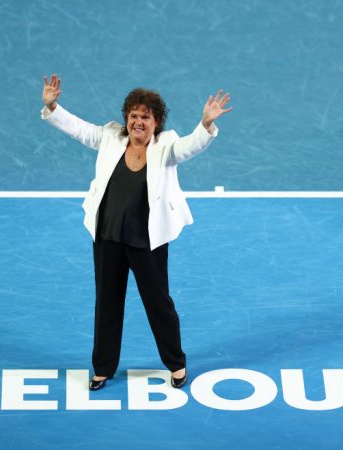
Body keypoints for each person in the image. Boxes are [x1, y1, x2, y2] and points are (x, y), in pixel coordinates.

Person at [40, 74, 232, 390]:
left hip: (147, 243)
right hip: (108, 237)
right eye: (133, 116)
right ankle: (102, 367)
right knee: (107, 304)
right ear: (126, 119)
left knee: (158, 304)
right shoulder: (110, 137)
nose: (138, 122)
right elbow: (80, 129)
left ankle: (176, 363)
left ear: (156, 122)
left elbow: (188, 148)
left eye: (145, 116)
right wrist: (53, 106)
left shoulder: (166, 145)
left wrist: (206, 125)